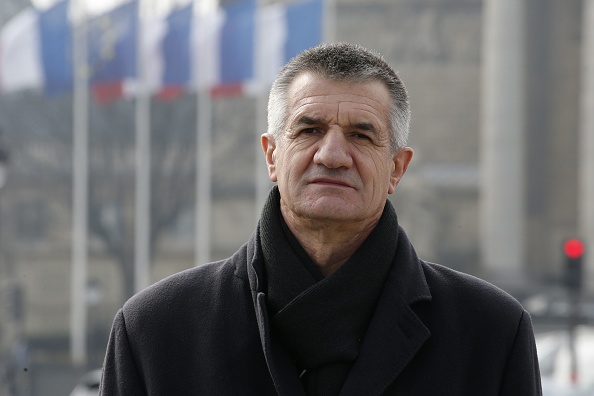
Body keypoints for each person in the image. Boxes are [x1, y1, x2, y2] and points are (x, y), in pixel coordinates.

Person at [99, 42, 542, 395]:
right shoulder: (154, 333)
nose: (332, 155)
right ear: (272, 155)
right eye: (309, 130)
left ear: (397, 168)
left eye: (361, 135)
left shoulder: (491, 334)